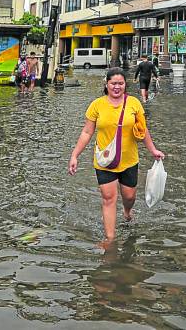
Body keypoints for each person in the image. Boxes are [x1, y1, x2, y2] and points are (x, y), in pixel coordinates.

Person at [67, 67, 165, 245]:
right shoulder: (97, 105)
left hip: (129, 160)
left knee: (129, 197)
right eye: (113, 83)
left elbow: (143, 131)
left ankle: (127, 212)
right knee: (109, 198)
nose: (117, 87)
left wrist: (153, 150)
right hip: (104, 161)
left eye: (120, 83)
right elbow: (87, 133)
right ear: (107, 84)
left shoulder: (134, 103)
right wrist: (75, 155)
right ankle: (109, 239)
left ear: (125, 84)